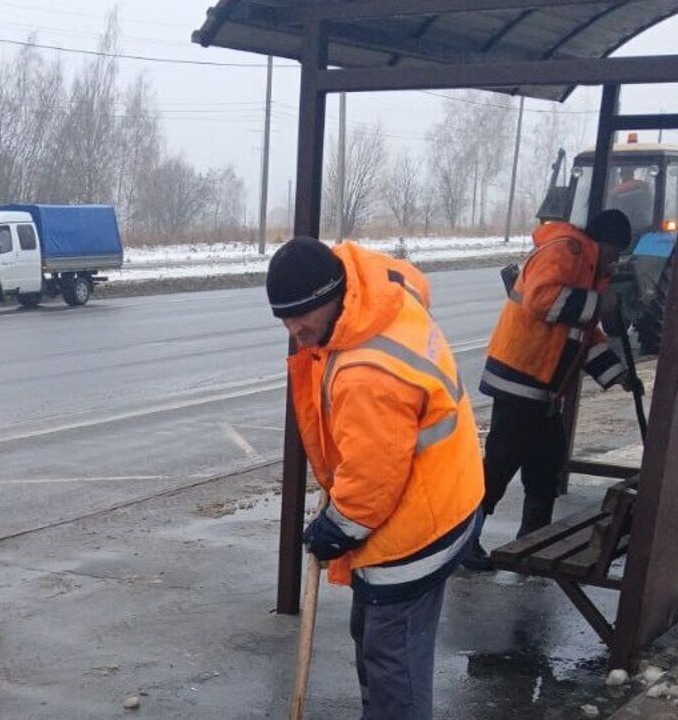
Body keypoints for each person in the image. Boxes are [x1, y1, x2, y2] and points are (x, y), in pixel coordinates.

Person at [268, 238, 483, 720]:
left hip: (420, 526)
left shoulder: (366, 372)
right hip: (443, 490)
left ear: (333, 295)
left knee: (393, 655)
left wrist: (338, 529)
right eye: (283, 318)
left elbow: (372, 480)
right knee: (372, 633)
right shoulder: (373, 294)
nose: (293, 329)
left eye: (301, 315)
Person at [463, 209, 635, 570]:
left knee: (546, 464)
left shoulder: (587, 269)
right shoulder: (565, 252)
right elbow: (541, 299)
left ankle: (532, 545)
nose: (615, 263)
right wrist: (596, 304)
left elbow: (582, 335)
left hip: (543, 390)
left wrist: (618, 374)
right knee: (499, 464)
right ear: (601, 243)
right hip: (519, 379)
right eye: (615, 253)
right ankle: (463, 544)